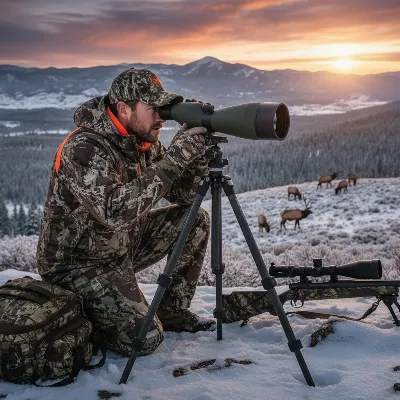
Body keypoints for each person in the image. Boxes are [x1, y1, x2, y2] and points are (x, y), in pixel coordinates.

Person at [36, 68, 215, 357]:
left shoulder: (142, 140)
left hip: (122, 245)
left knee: (194, 219)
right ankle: (79, 318)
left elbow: (182, 196)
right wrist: (175, 158)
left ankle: (173, 313)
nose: (161, 117)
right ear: (124, 109)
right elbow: (114, 211)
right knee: (143, 339)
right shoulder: (84, 148)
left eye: (163, 108)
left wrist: (195, 159)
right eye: (153, 108)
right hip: (79, 264)